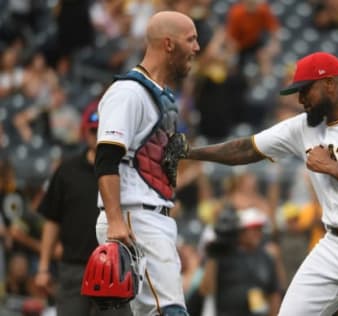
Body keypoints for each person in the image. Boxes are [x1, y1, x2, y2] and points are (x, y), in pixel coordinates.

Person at [186, 51, 338, 315]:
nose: (300, 99)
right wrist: (189, 152)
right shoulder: (303, 127)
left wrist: (331, 167)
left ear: (330, 84)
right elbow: (245, 149)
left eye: (306, 90)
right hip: (333, 242)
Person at [94, 11, 199, 316]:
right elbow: (106, 159)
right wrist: (115, 220)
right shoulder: (129, 92)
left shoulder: (161, 95)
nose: (197, 47)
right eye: (190, 39)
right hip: (133, 215)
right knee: (168, 311)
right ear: (168, 44)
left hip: (151, 216)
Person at [34, 104, 131, 316]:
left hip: (114, 269)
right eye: (93, 130)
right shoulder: (67, 171)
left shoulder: (125, 171)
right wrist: (43, 267)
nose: (97, 136)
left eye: (102, 129)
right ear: (84, 132)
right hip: (75, 268)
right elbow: (52, 220)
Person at [199, 207, 282, 316]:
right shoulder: (223, 254)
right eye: (253, 229)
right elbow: (206, 290)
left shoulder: (266, 257)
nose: (258, 233)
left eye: (260, 229)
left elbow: (274, 294)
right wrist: (213, 256)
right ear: (240, 231)